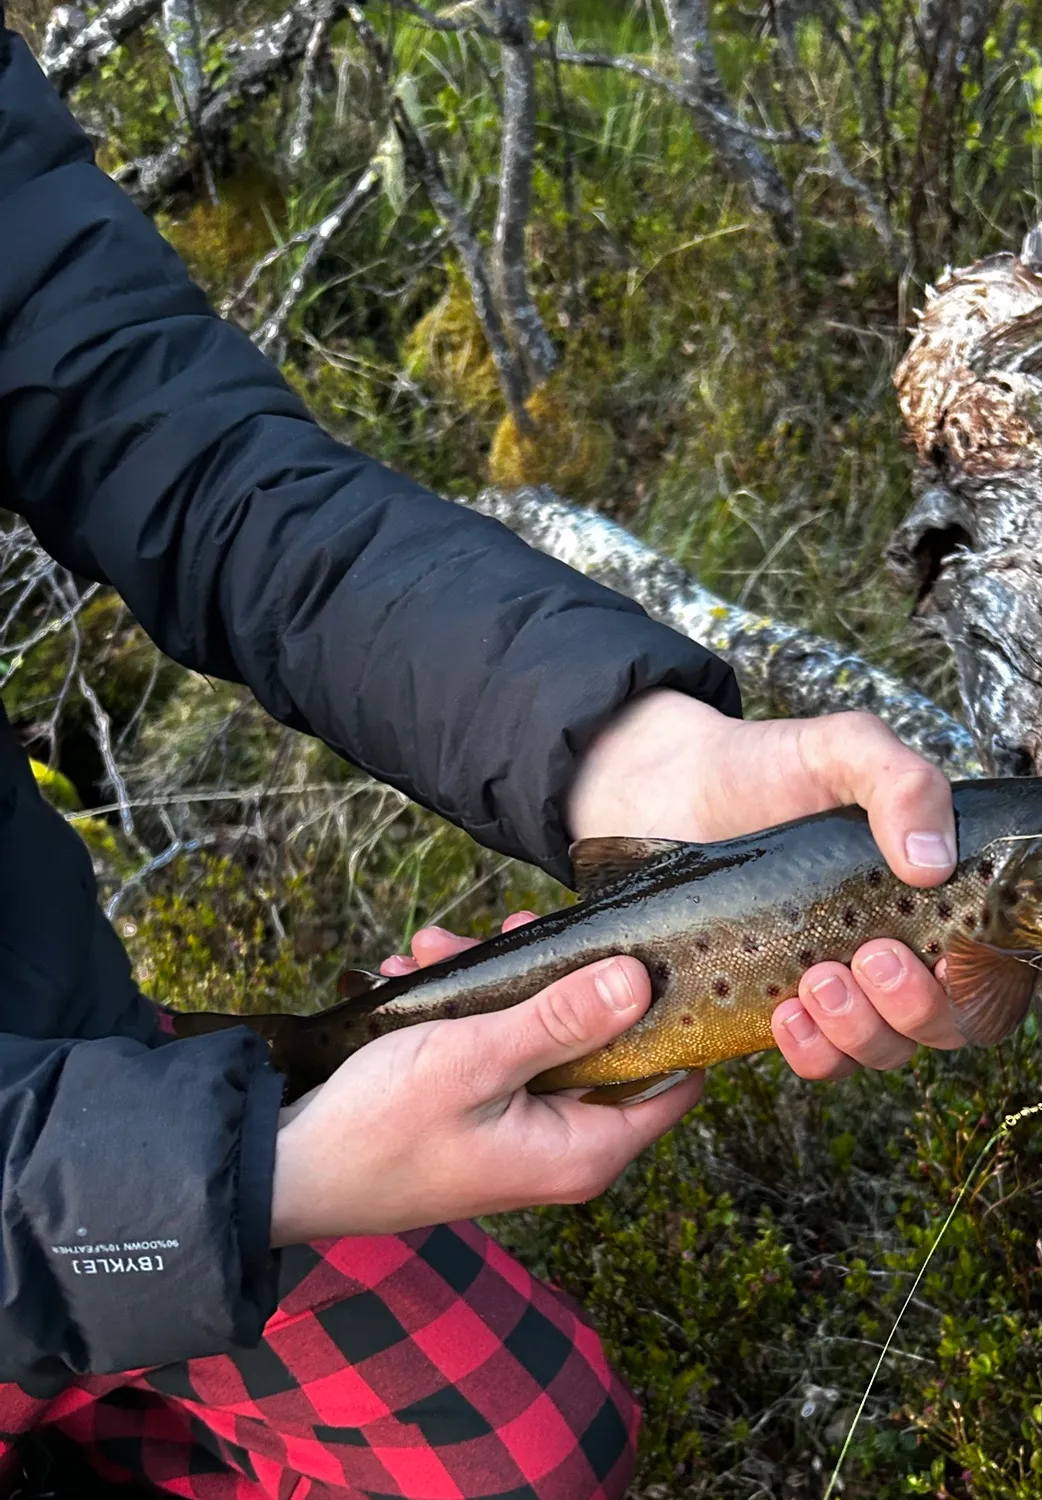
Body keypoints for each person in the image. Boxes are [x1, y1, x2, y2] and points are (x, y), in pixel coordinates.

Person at [0, 17, 971, 1500]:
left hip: (71, 1080)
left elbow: (193, 468)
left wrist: (624, 752)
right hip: (82, 1172)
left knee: (518, 1448)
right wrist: (265, 1179)